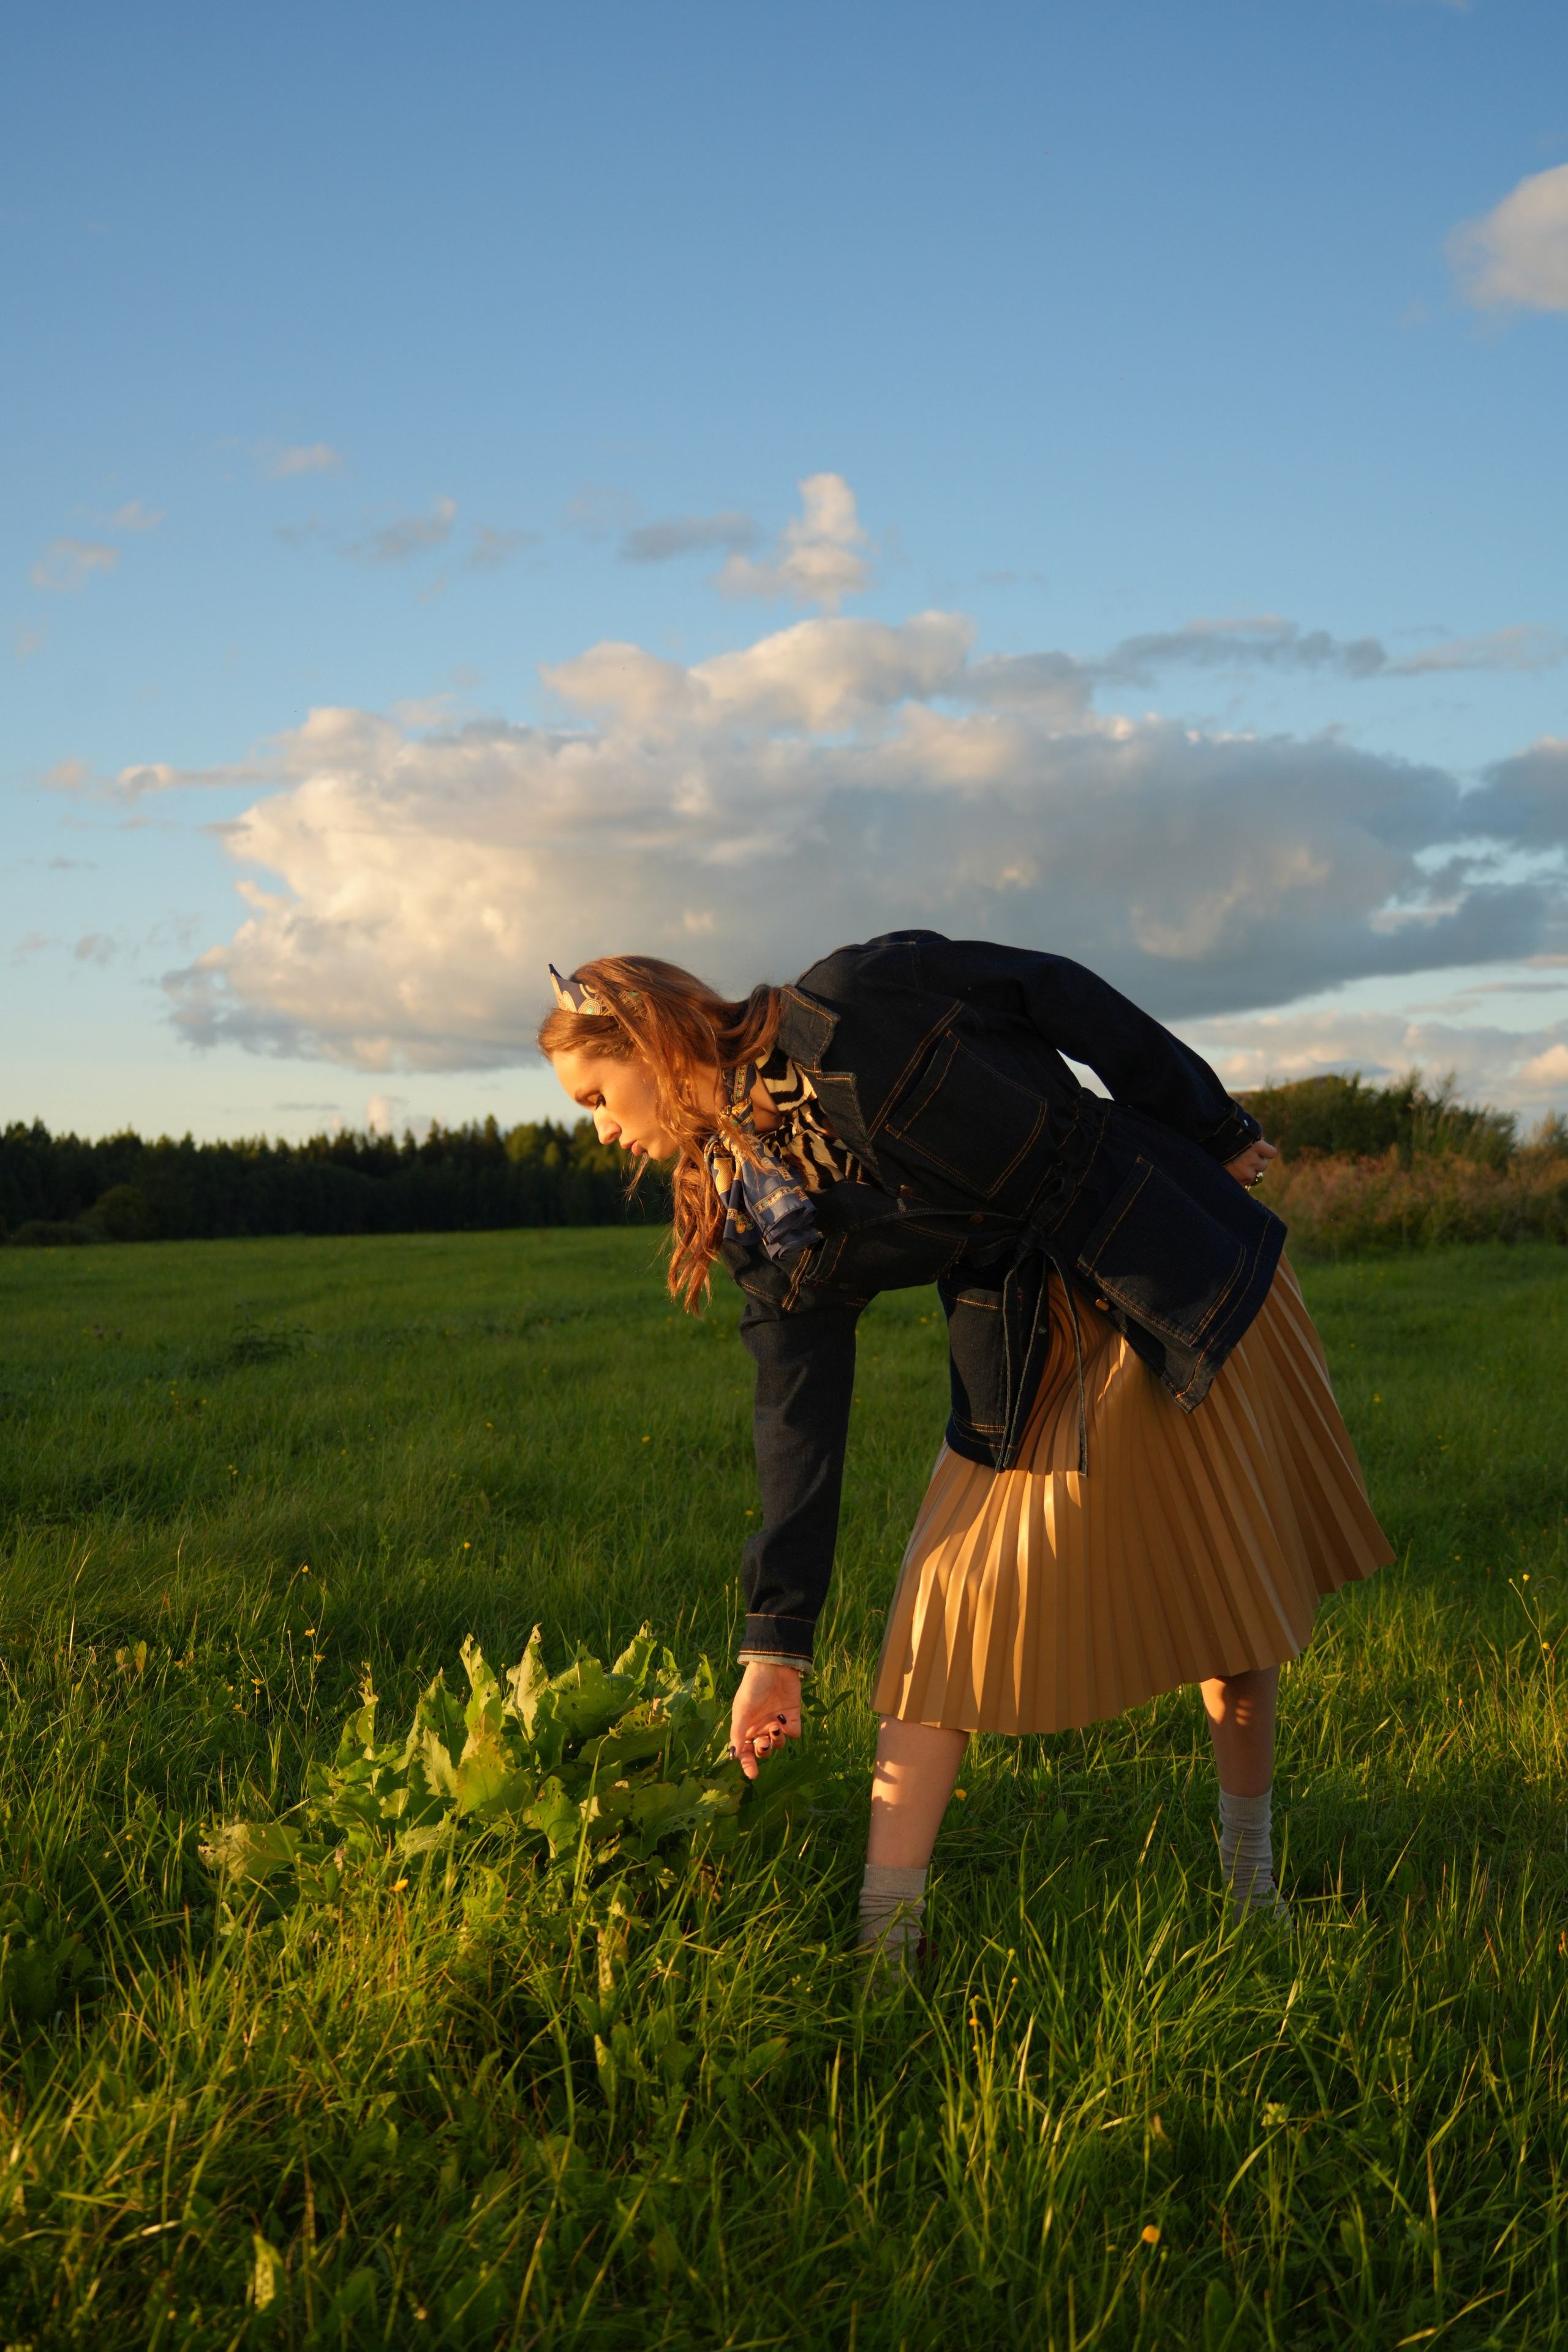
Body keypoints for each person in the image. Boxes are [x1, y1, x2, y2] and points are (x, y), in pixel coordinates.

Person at [540, 932, 1392, 1970]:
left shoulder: (858, 998)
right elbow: (796, 1415)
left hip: (1166, 1264)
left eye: (593, 1096)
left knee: (1232, 1607)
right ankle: (886, 1945)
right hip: (1029, 1344)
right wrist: (776, 1649)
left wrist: (1208, 1121)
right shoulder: (758, 1217)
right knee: (940, 1617)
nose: (600, 1132)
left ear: (646, 1037)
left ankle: (1251, 1890)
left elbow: (1060, 993)